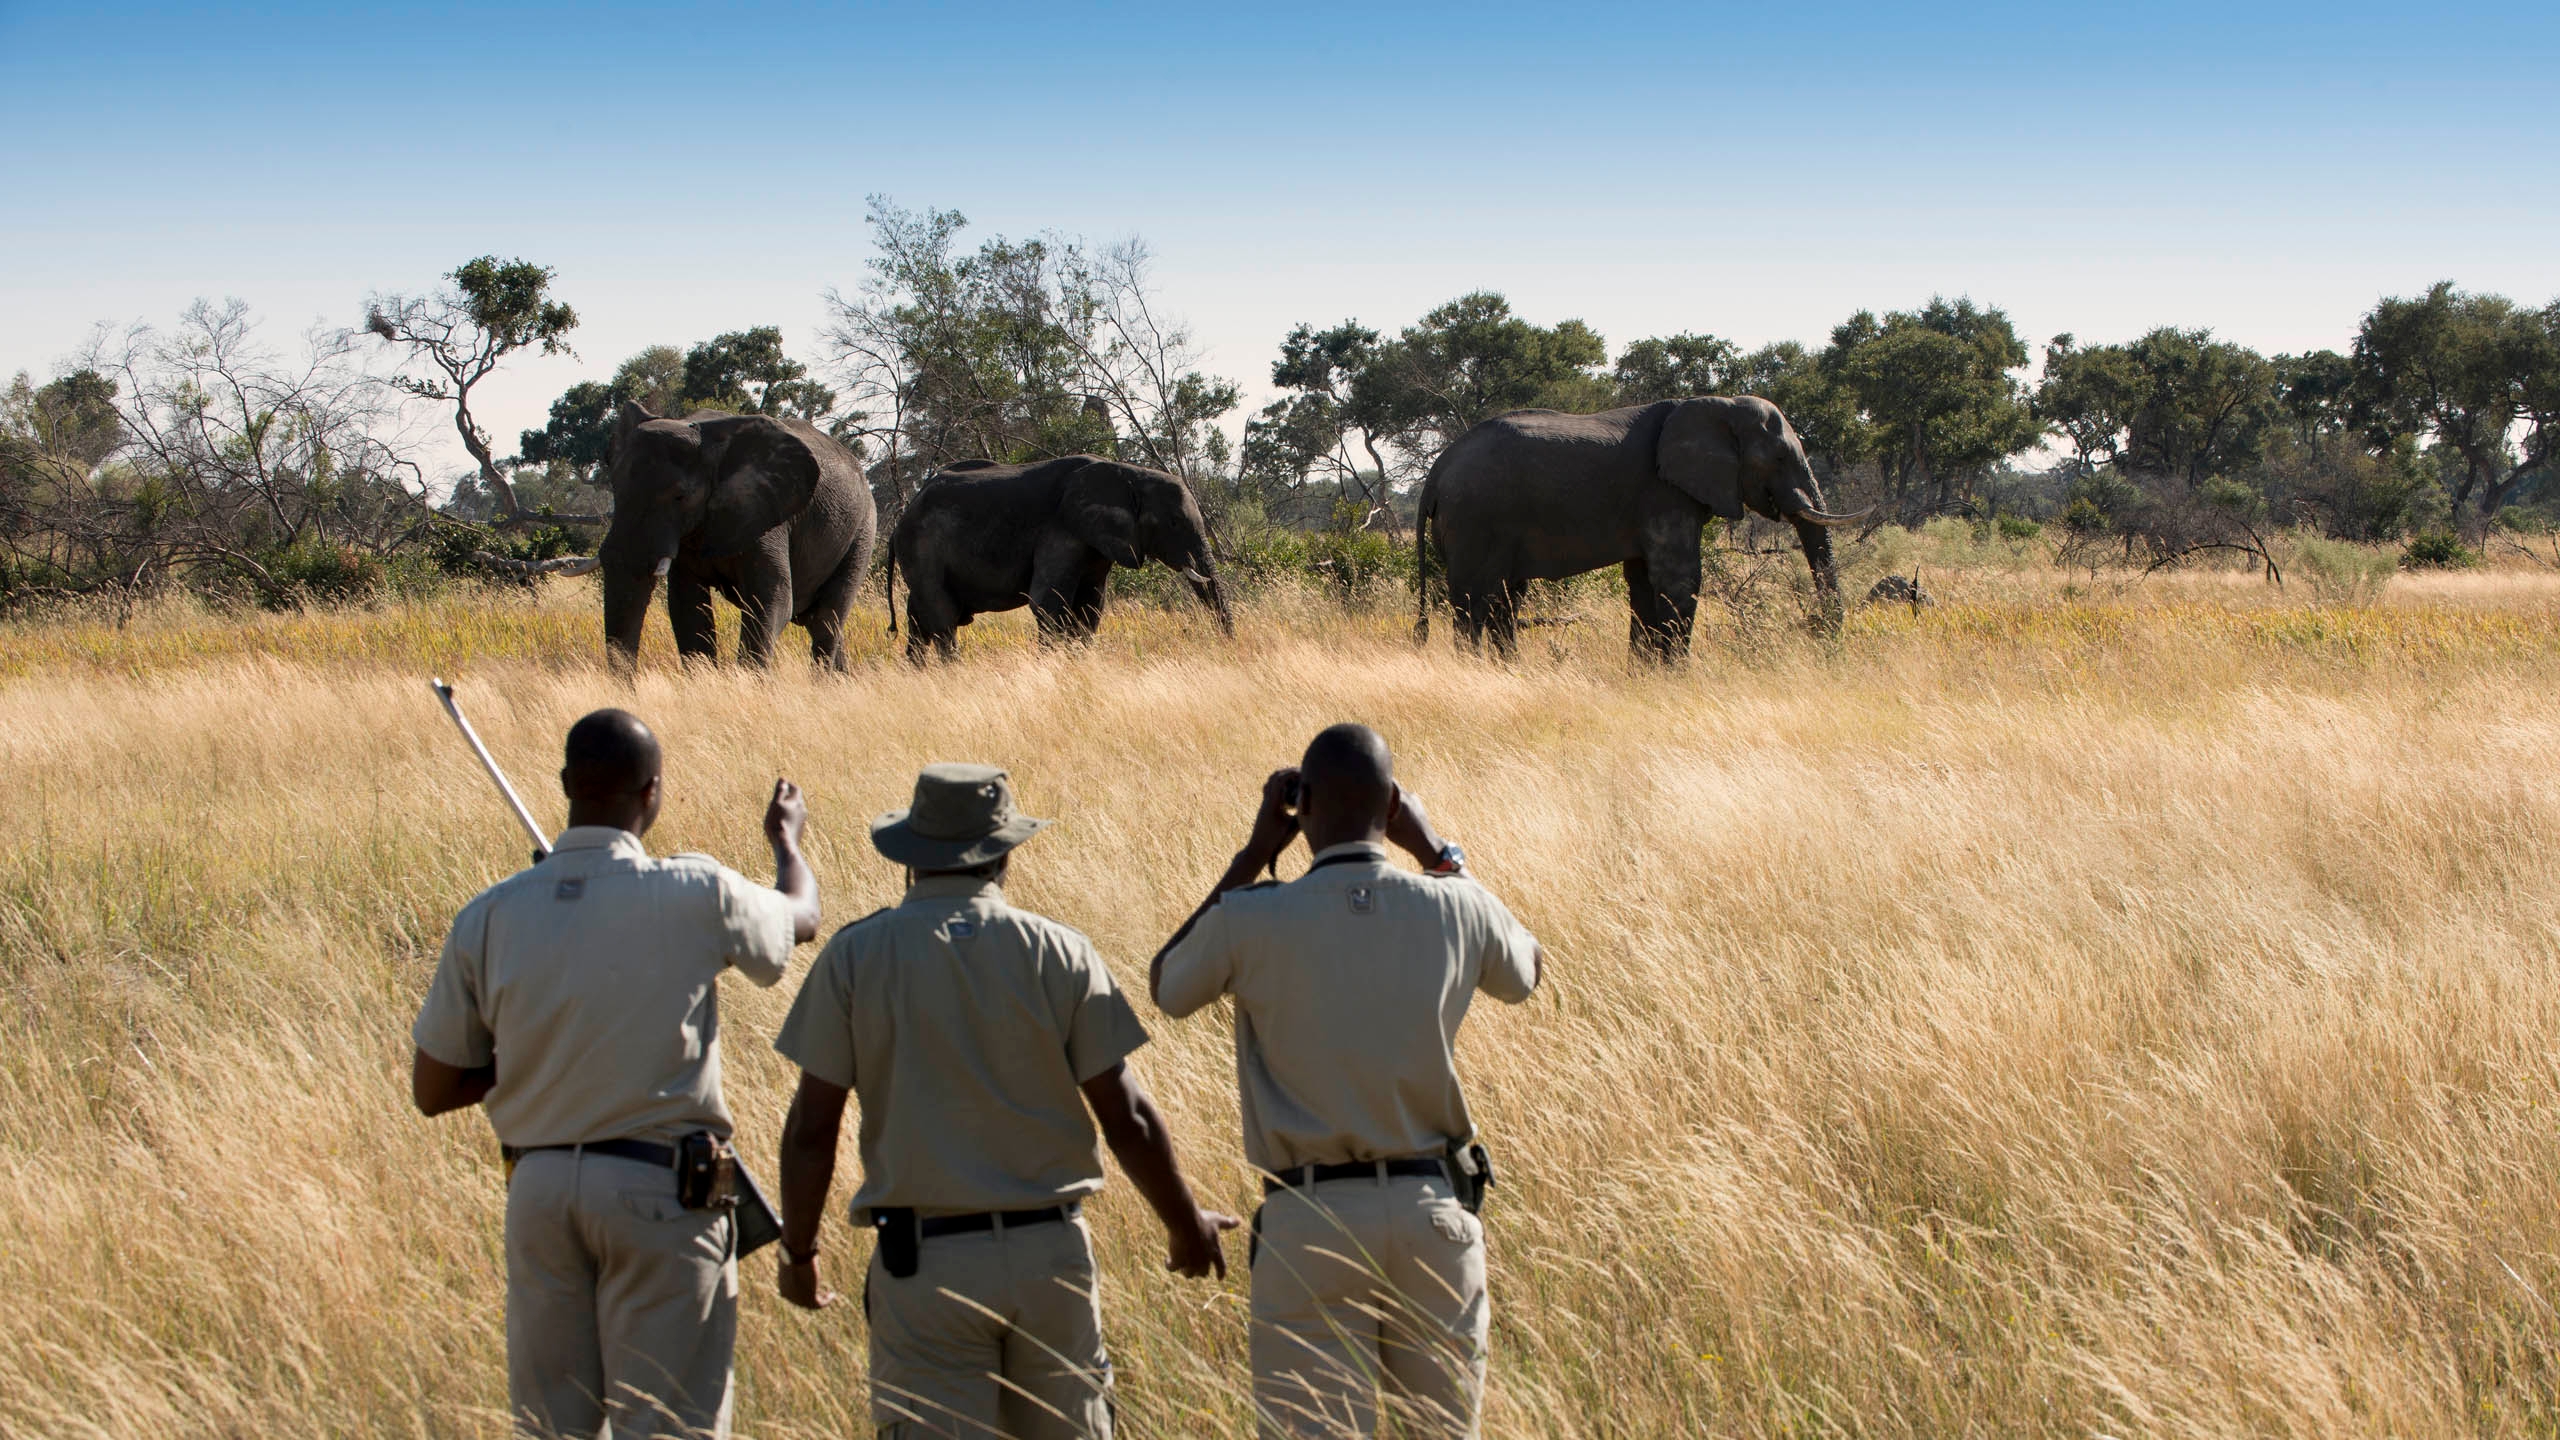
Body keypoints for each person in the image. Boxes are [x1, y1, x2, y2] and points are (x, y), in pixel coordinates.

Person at [772, 763, 1236, 1440]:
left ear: (912, 858)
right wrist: (1184, 1220)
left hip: (925, 1263)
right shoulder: (1061, 951)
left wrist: (799, 1252)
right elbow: (1126, 1115)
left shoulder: (854, 956)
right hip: (1051, 1253)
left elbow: (813, 1130)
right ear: (1005, 854)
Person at [410, 708, 821, 1440]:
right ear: (652, 791)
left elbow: (434, 1089)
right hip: (662, 1191)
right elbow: (800, 916)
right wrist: (787, 843)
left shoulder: (491, 914)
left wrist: (533, 1051)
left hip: (536, 1193)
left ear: (567, 784)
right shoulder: (698, 890)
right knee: (668, 1425)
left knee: (552, 1429)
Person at [1150, 723, 1542, 1440]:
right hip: (1433, 1212)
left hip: (1311, 1220)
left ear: (1299, 806)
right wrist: (1436, 853)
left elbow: (1168, 985)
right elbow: (1525, 973)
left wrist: (1253, 855)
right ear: (1392, 806)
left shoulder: (1252, 917)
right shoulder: (1454, 905)